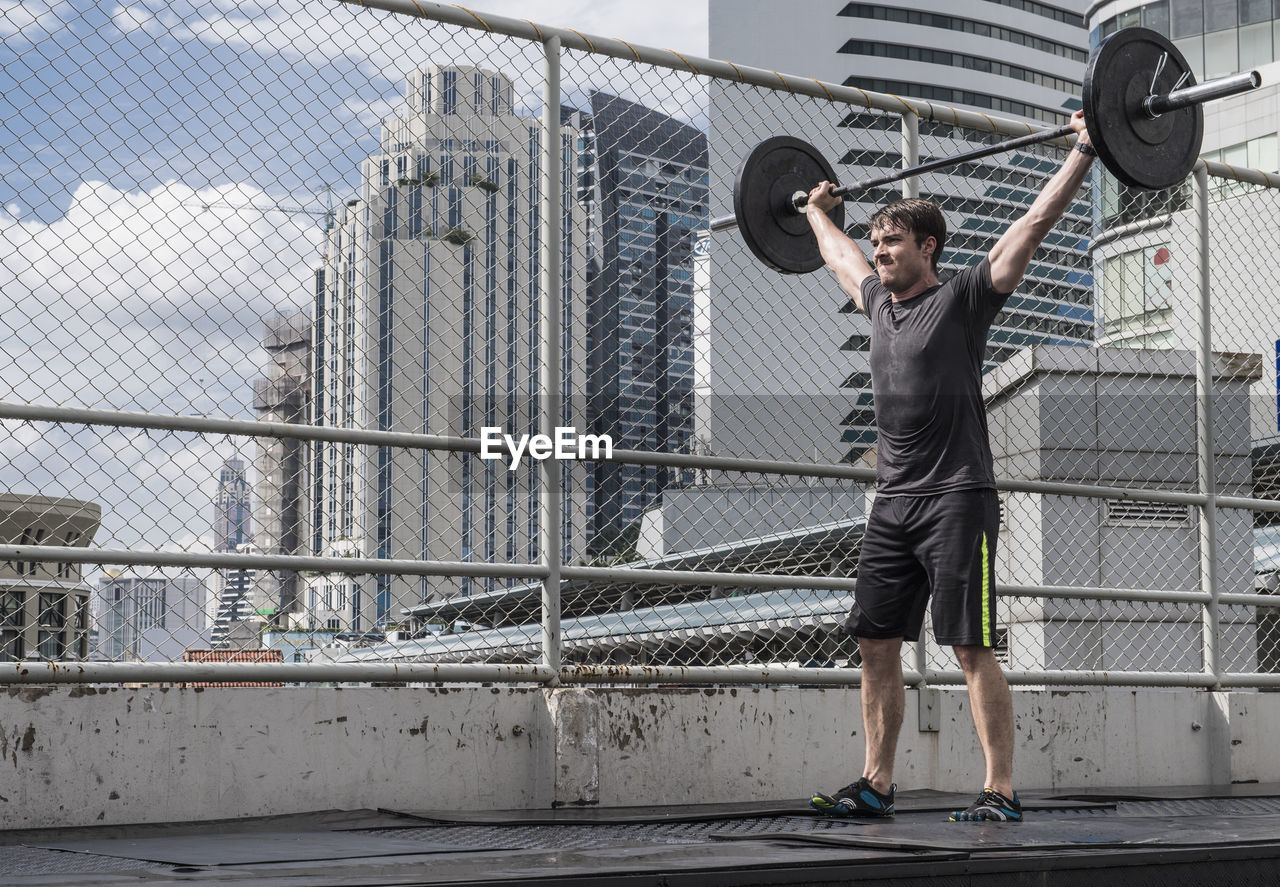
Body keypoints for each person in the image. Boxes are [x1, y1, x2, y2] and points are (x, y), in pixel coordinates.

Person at [804, 110, 1095, 823]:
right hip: (893, 503)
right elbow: (837, 254)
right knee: (875, 641)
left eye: (893, 241)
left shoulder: (964, 300)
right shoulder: (876, 303)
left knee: (970, 644)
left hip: (959, 498)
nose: (879, 252)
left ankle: (1001, 788)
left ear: (927, 246)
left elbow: (1030, 224)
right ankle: (876, 782)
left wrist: (1085, 151)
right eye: (876, 241)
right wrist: (815, 212)